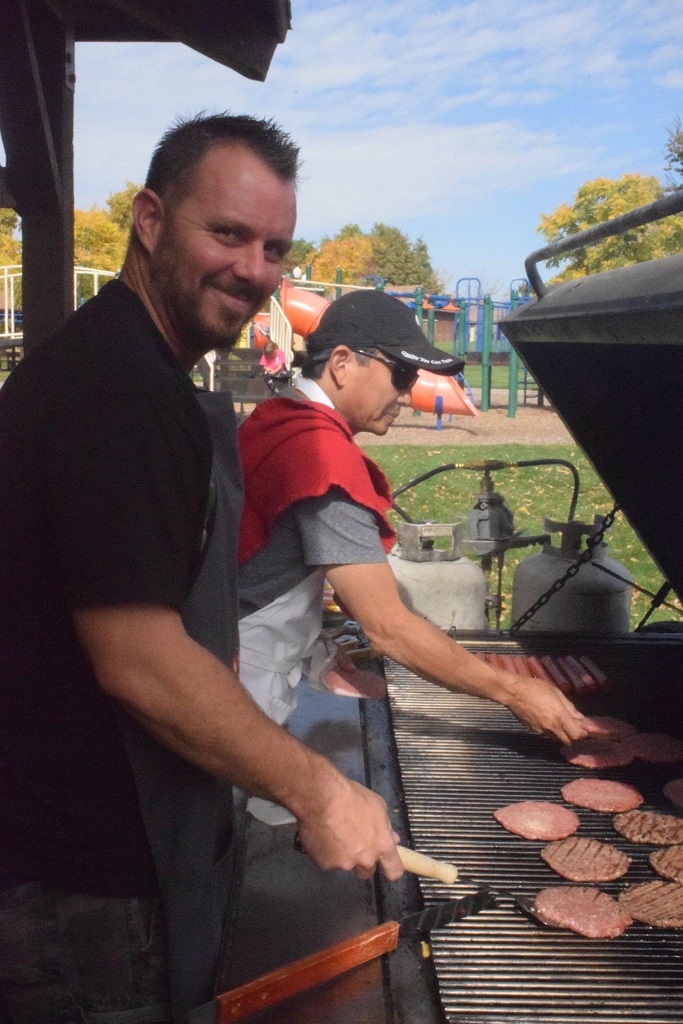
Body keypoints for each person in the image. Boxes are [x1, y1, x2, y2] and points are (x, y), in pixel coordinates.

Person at [0, 114, 403, 1024]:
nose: (253, 270)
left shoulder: (122, 366)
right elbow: (139, 659)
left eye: (273, 248)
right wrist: (319, 790)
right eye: (225, 234)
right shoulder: (122, 393)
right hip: (83, 890)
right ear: (149, 219)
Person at [237, 290, 597, 823]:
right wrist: (514, 690)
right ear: (341, 363)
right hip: (239, 696)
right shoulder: (319, 456)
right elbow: (389, 628)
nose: (407, 394)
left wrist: (316, 642)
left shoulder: (276, 417)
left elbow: (263, 563)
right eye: (401, 374)